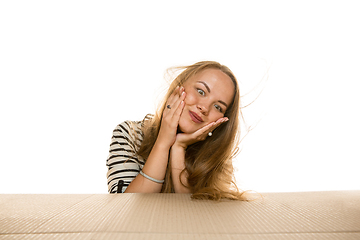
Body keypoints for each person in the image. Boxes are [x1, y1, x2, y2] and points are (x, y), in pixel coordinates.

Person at [106, 61, 247, 200]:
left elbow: (195, 217)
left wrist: (178, 147)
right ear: (178, 86)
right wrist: (163, 142)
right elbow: (124, 210)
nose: (204, 107)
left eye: (218, 107)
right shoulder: (130, 134)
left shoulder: (216, 157)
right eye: (200, 91)